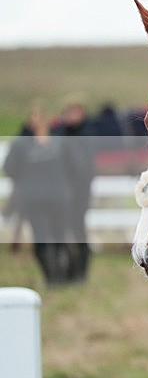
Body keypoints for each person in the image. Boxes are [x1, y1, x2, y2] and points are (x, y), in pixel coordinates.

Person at [3, 106, 73, 285]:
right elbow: (9, 168)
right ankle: (50, 276)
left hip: (58, 197)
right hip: (34, 199)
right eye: (35, 116)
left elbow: (71, 166)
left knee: (60, 238)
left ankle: (62, 274)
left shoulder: (59, 141)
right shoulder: (21, 144)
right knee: (40, 239)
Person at [53, 102, 96, 283]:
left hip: (78, 194)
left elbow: (84, 168)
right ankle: (66, 273)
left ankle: (80, 273)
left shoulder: (86, 134)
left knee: (78, 233)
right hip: (61, 193)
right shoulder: (59, 134)